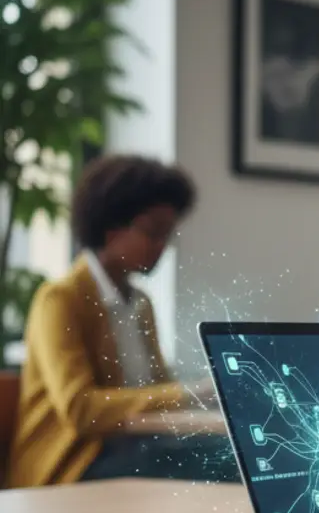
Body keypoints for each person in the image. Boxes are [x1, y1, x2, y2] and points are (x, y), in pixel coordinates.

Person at [7, 154, 230, 486]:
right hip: (72, 466)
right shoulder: (60, 300)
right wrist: (188, 392)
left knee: (231, 456)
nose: (162, 246)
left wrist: (208, 399)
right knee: (219, 470)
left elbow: (154, 392)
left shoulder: (140, 304)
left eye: (168, 234)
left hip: (134, 450)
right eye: (154, 232)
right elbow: (80, 408)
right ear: (111, 229)